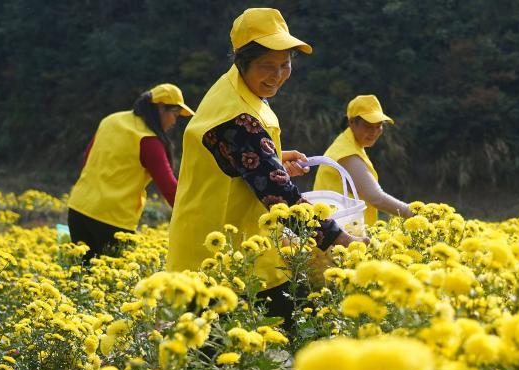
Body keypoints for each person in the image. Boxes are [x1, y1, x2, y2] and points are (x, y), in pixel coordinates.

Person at [167, 7, 365, 329]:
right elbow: (279, 195)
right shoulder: (236, 115)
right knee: (293, 330)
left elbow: (233, 154)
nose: (277, 75)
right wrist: (338, 238)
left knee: (293, 327)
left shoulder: (237, 90)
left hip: (244, 247)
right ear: (242, 61)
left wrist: (273, 158)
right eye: (266, 66)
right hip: (217, 253)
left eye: (284, 65)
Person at [67, 84, 194, 258]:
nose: (174, 122)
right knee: (118, 273)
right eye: (175, 114)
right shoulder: (148, 140)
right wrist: (195, 216)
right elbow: (170, 189)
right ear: (160, 108)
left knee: (83, 271)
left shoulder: (110, 120)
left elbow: (88, 158)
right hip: (112, 221)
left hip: (78, 210)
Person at [313, 95, 414, 225]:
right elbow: (375, 197)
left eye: (379, 125)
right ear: (351, 123)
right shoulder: (346, 153)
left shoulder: (349, 145)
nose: (374, 132)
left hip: (338, 229)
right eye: (368, 126)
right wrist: (413, 213)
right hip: (336, 232)